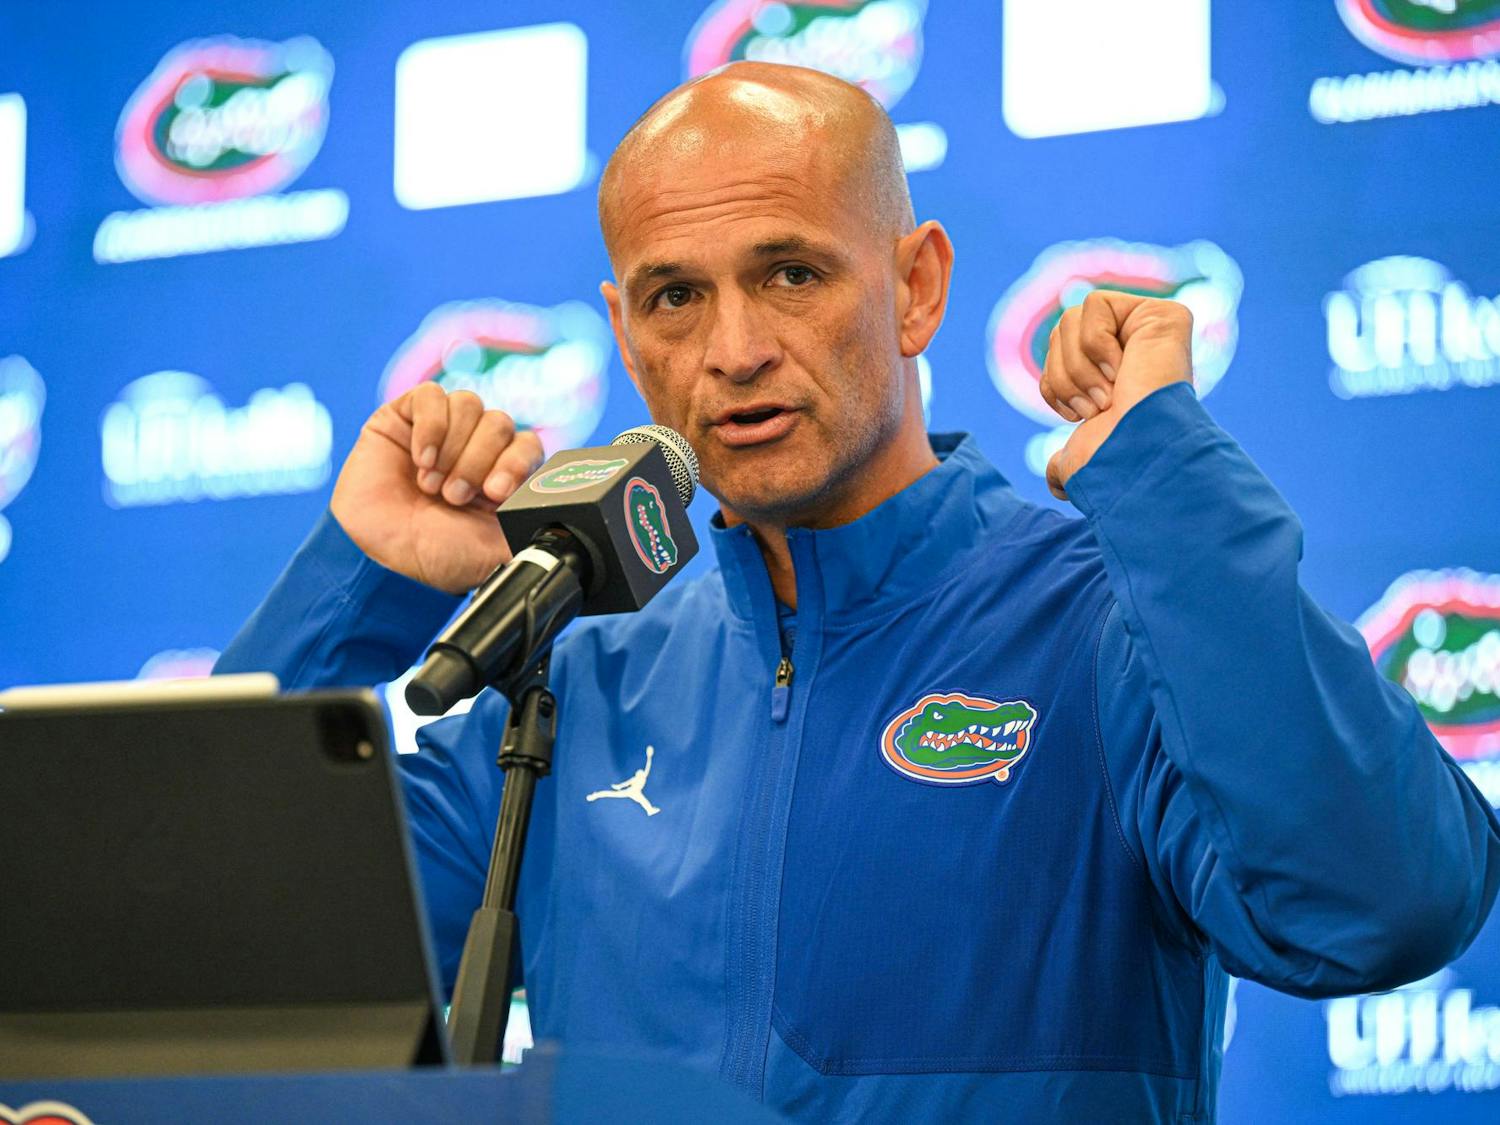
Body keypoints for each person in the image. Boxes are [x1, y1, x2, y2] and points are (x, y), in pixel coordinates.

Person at [218, 63, 1500, 1122]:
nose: (733, 351)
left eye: (791, 273)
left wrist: (1163, 479)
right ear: (626, 333)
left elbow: (1382, 908)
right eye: (676, 297)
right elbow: (219, 961)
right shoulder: (573, 674)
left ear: (917, 286)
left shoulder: (1109, 621)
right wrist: (361, 582)